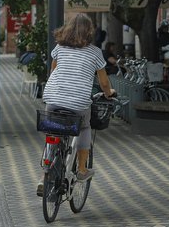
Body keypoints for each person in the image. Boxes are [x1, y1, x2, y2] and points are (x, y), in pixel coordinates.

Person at [38, 13, 115, 195]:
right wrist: (108, 93)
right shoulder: (95, 53)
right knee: (84, 128)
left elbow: (53, 71)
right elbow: (104, 83)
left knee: (53, 132)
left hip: (53, 98)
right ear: (90, 32)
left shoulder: (59, 48)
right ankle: (81, 170)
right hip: (78, 102)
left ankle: (44, 176)